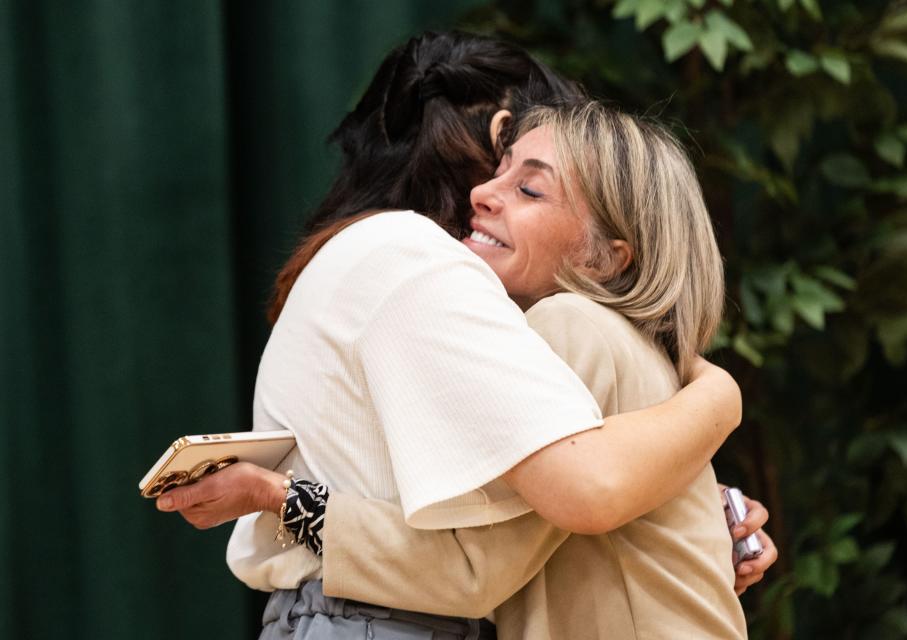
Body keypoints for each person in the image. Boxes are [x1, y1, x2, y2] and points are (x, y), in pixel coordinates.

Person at [156, 31, 775, 639]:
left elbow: (483, 560)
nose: (484, 194)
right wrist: (716, 403)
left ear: (608, 256)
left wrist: (279, 496)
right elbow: (571, 502)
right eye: (501, 168)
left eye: (530, 187)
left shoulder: (566, 324)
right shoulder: (560, 323)